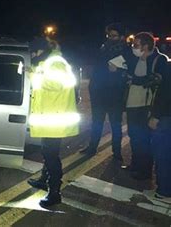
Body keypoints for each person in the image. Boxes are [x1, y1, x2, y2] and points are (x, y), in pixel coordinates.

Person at [27, 39, 80, 207]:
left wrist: (33, 75)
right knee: (47, 152)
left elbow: (56, 84)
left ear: (43, 50)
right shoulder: (48, 62)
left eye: (35, 52)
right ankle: (44, 179)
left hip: (55, 120)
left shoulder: (55, 63)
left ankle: (55, 192)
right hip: (50, 118)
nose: (33, 55)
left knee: (51, 156)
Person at [80, 23, 129, 160]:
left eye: (114, 36)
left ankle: (117, 152)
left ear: (121, 37)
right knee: (96, 122)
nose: (111, 38)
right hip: (99, 92)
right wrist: (92, 86)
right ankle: (92, 148)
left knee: (115, 125)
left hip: (115, 94)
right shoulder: (103, 48)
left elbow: (129, 71)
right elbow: (96, 67)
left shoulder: (126, 51)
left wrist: (118, 71)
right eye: (109, 35)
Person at [123, 32, 167, 180]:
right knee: (134, 136)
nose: (133, 47)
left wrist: (134, 80)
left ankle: (145, 170)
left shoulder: (159, 60)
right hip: (132, 104)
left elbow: (157, 80)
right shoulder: (135, 59)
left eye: (136, 45)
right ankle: (135, 164)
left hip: (146, 105)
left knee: (144, 138)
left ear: (146, 46)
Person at [146, 59, 171, 203]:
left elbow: (165, 94)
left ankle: (163, 191)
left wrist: (155, 116)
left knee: (163, 155)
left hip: (166, 117)